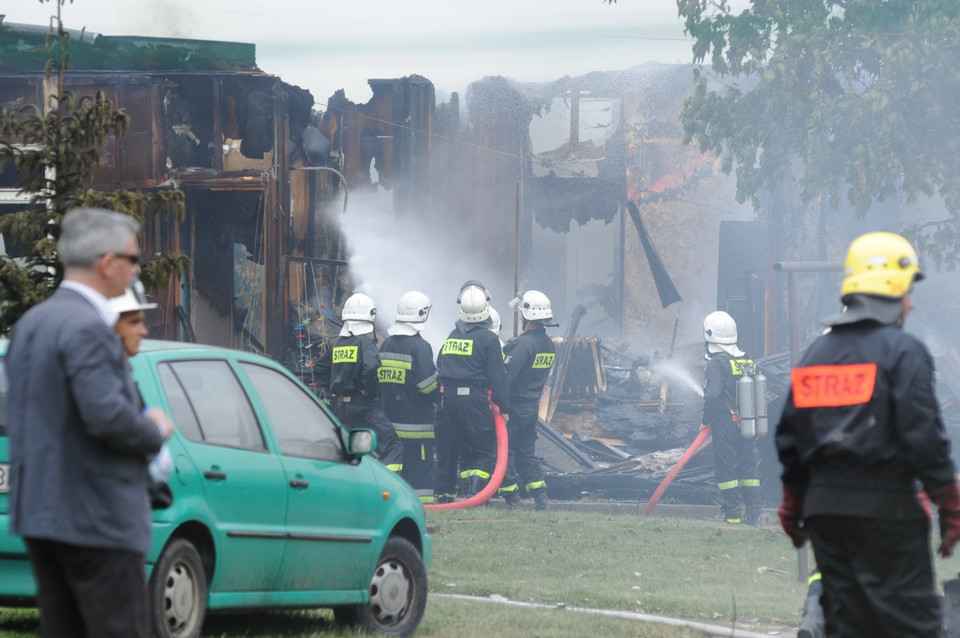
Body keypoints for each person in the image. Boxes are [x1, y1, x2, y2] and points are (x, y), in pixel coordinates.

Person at [775, 231, 960, 637]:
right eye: (908, 291)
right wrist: (950, 504)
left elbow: (791, 438)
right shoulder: (903, 351)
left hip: (826, 516)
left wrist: (793, 505)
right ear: (893, 291)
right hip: (887, 512)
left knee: (849, 626)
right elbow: (923, 436)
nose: (911, 301)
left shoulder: (816, 356)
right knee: (914, 625)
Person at [6, 207, 175, 638]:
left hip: (41, 515)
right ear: (108, 262)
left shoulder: (33, 323)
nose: (137, 268)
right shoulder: (89, 328)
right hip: (96, 518)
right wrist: (156, 429)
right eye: (134, 259)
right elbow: (109, 420)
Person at [436, 282, 510, 498]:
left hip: (449, 400)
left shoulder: (452, 335)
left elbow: (441, 362)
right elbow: (498, 376)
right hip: (473, 400)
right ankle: (475, 495)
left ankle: (469, 489)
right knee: (485, 449)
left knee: (465, 448)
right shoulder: (488, 338)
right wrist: (504, 407)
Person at [316, 292, 404, 471]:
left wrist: (336, 389)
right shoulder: (364, 342)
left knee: (354, 450)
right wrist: (369, 393)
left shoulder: (340, 343)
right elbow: (371, 367)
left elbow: (319, 369)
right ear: (369, 317)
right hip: (361, 407)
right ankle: (385, 485)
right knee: (393, 445)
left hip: (341, 408)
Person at [700, 310, 762, 525]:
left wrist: (705, 420)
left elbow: (713, 396)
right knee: (748, 466)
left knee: (727, 467)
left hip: (726, 421)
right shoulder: (746, 359)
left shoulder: (716, 363)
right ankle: (754, 512)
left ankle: (734, 514)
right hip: (748, 421)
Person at [378, 291, 441, 503]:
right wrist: (439, 396)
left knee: (396, 472)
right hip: (416, 427)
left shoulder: (386, 344)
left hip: (389, 423)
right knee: (419, 475)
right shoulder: (420, 346)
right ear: (422, 315)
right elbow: (427, 385)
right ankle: (423, 509)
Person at [498, 290, 557, 510]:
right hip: (531, 408)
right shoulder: (548, 345)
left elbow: (506, 378)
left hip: (513, 407)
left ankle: (512, 498)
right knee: (526, 452)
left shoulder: (522, 345)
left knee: (506, 451)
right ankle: (540, 497)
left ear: (526, 315)